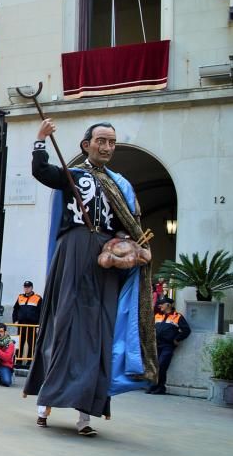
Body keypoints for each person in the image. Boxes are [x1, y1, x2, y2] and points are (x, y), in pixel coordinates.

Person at [25, 119, 156, 435]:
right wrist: (40, 141)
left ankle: (85, 414)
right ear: (87, 145)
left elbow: (127, 223)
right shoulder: (76, 174)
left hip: (105, 259)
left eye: (112, 142)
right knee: (62, 322)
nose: (107, 147)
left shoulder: (120, 184)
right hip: (74, 249)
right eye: (101, 141)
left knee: (100, 331)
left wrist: (128, 245)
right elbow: (43, 173)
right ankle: (45, 403)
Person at [148, 297, 191, 395]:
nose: (159, 306)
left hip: (167, 346)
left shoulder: (177, 316)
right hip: (156, 345)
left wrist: (177, 339)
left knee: (162, 365)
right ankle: (154, 386)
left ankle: (160, 387)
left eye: (161, 304)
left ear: (168, 305)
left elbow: (186, 330)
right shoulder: (157, 315)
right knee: (155, 365)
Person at [12, 281, 42, 357]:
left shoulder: (38, 298)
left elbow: (41, 312)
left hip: (32, 325)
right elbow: (15, 310)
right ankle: (18, 360)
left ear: (32, 288)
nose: (26, 289)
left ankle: (29, 362)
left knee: (31, 343)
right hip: (21, 324)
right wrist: (15, 320)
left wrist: (39, 324)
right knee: (19, 343)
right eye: (25, 287)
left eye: (28, 287)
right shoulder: (20, 297)